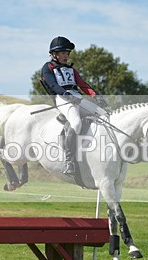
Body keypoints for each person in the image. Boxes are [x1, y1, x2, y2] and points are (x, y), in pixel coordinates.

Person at [40, 36, 107, 175]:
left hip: (76, 97)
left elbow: (83, 85)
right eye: (63, 53)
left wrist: (96, 96)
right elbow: (53, 85)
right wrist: (66, 94)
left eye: (67, 53)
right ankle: (69, 161)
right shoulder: (48, 67)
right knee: (76, 123)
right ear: (55, 54)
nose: (66, 56)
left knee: (104, 115)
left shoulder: (71, 70)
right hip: (62, 98)